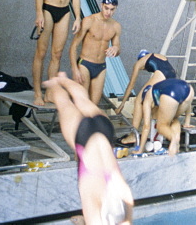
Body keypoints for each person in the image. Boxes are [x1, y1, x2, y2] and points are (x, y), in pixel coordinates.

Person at [44, 73, 133, 224]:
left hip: (104, 129)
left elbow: (128, 202)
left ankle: (62, 79)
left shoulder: (121, 192)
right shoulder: (92, 194)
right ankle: (54, 85)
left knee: (82, 99)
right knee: (64, 102)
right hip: (83, 135)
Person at [32, 0, 82, 106]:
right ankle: (38, 93)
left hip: (64, 11)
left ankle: (50, 93)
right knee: (41, 52)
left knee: (57, 54)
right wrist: (39, 13)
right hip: (47, 9)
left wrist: (78, 18)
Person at [114, 50, 178, 146]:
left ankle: (132, 136)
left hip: (162, 75)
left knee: (139, 101)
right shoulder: (159, 57)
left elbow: (131, 85)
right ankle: (159, 134)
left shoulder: (138, 63)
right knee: (155, 104)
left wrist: (121, 105)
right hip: (173, 77)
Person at [69, 0, 122, 104]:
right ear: (101, 5)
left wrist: (116, 49)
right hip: (85, 64)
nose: (109, 12)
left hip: (101, 67)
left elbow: (117, 50)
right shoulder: (89, 21)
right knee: (82, 102)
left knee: (94, 105)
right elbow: (74, 46)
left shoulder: (116, 26)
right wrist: (75, 69)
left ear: (116, 9)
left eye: (112, 9)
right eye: (106, 8)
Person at [137, 77, 194, 156]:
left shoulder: (147, 99)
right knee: (173, 119)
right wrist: (187, 122)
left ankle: (173, 139)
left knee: (161, 126)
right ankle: (177, 143)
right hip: (189, 90)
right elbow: (188, 105)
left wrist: (140, 149)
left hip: (170, 94)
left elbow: (146, 126)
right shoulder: (158, 88)